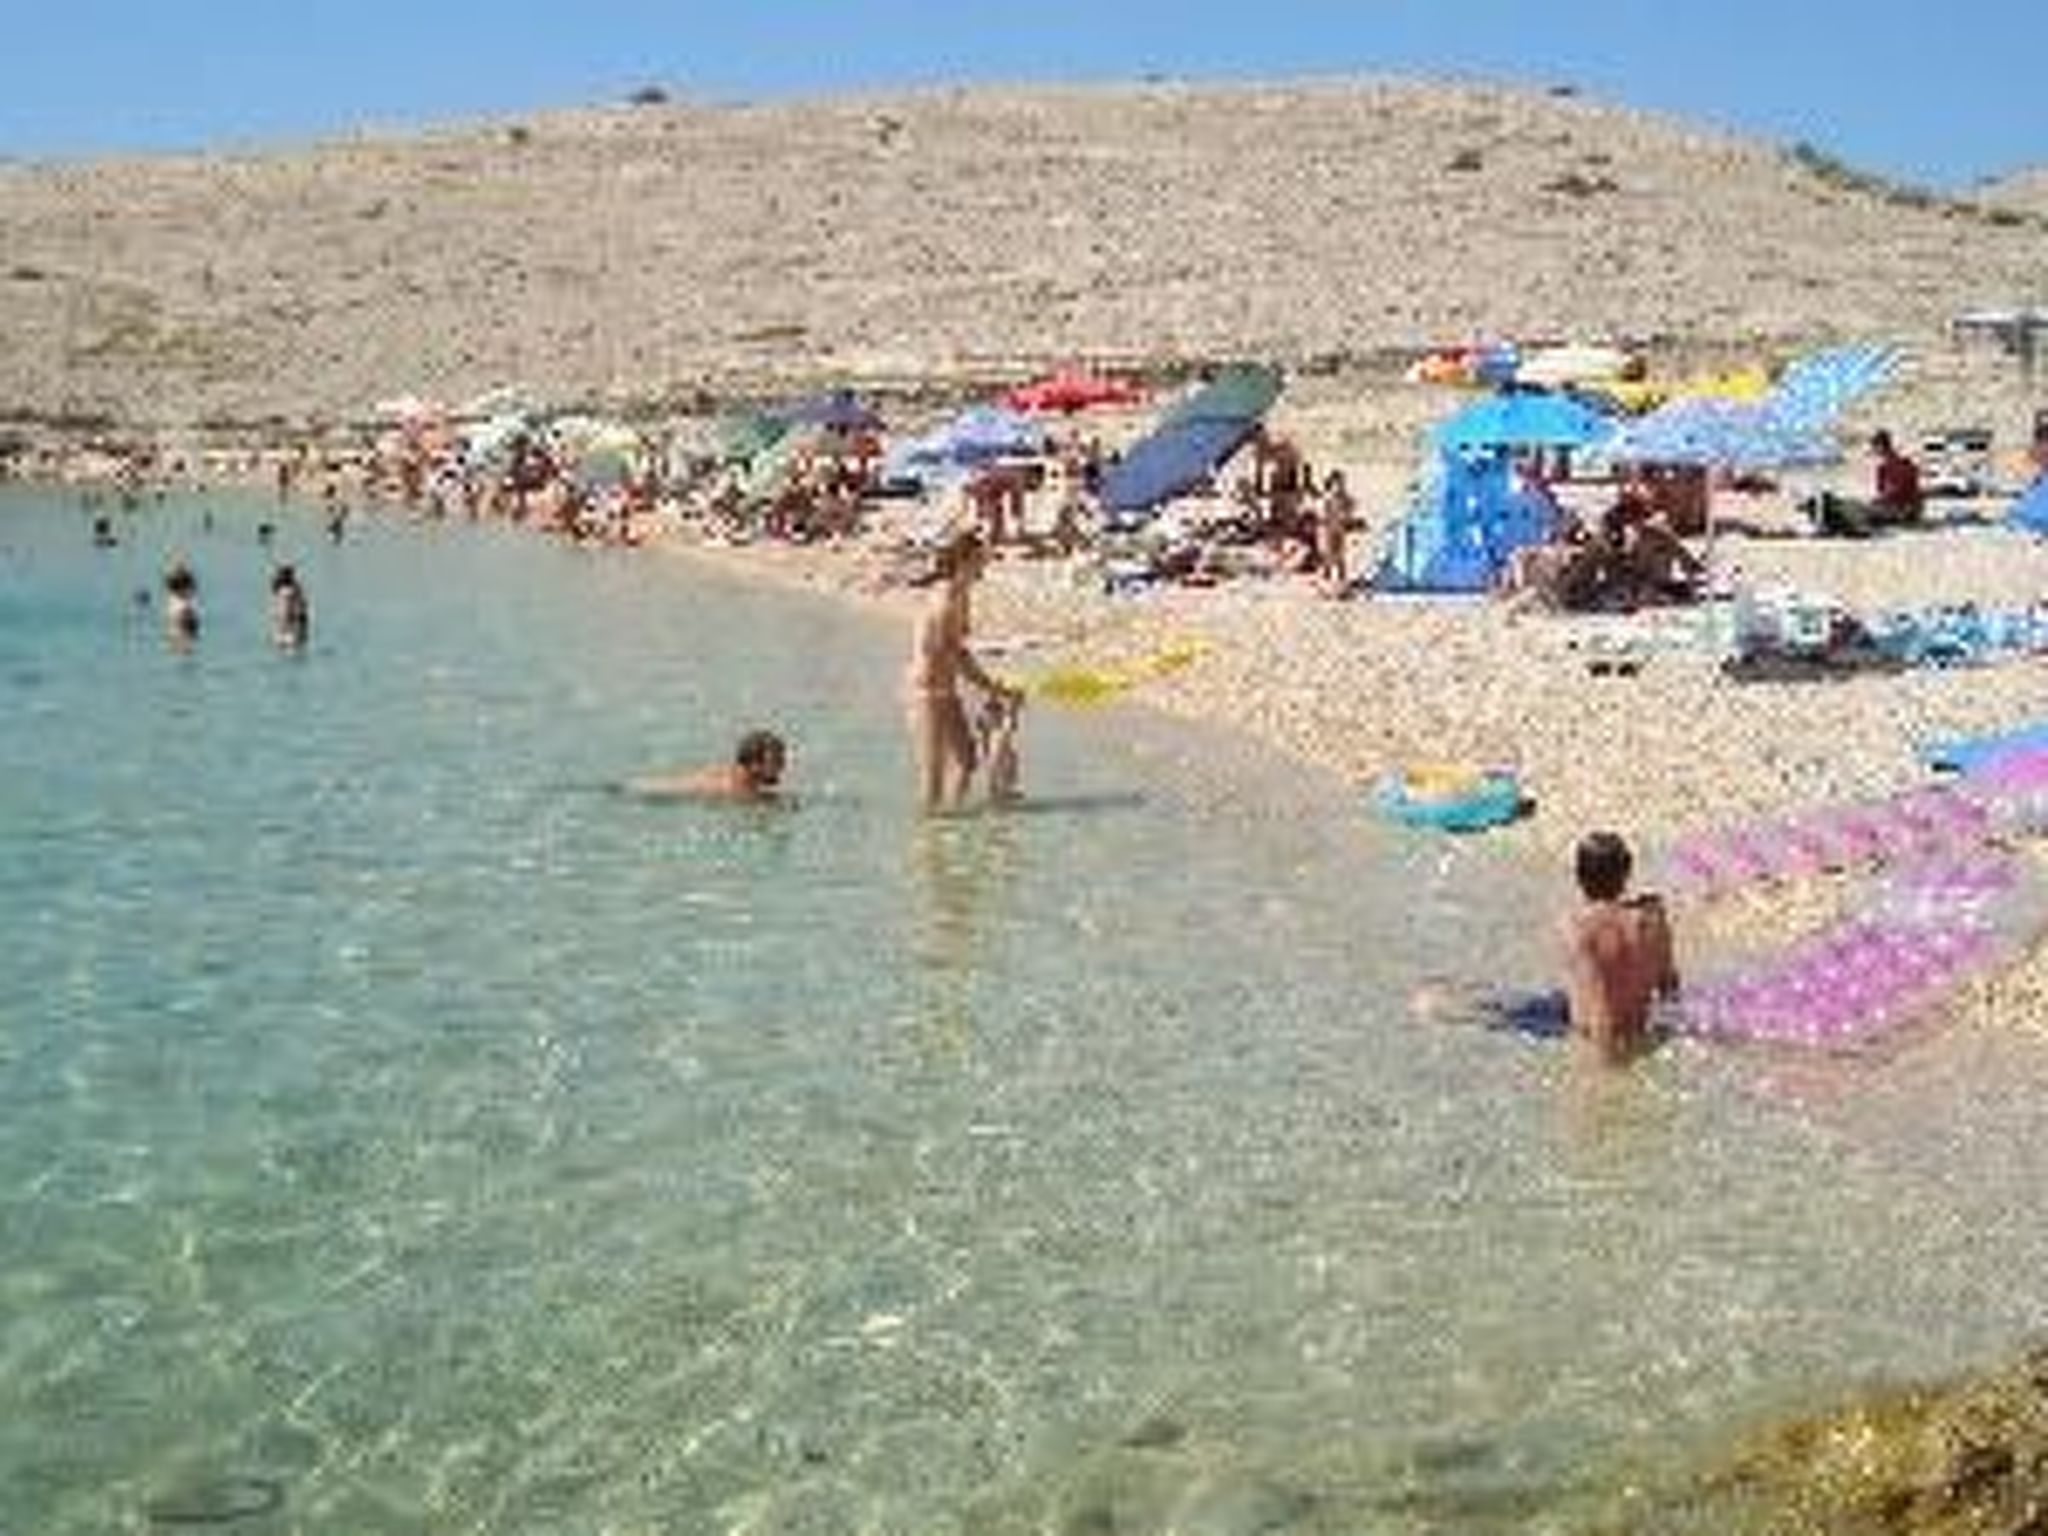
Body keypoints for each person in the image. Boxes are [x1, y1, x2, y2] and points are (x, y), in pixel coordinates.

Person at [905, 529, 1022, 811]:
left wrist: (1001, 661)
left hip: (947, 687)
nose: (984, 567)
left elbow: (961, 646)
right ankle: (931, 842)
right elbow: (957, 656)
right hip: (927, 693)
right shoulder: (943, 603)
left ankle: (952, 826)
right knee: (933, 779)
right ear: (965, 562)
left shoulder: (961, 595)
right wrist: (997, 688)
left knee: (967, 761)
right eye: (980, 561)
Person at [1561, 831, 1679, 1064]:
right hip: (1643, 1037)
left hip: (1596, 1045)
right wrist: (1669, 1034)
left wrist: (1605, 1070)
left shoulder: (1579, 926)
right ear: (1627, 871)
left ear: (1579, 876)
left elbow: (1597, 1004)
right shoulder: (1653, 916)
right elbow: (1669, 984)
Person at [627, 729, 788, 802]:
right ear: (754, 764)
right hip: (647, 795)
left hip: (640, 788)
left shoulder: (726, 774)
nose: (783, 766)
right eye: (776, 762)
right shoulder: (735, 791)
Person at [269, 564, 310, 650]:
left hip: (288, 623)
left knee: (288, 645)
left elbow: (302, 607)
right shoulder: (291, 589)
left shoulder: (288, 589)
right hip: (285, 623)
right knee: (291, 645)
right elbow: (303, 607)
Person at [162, 561, 200, 646]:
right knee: (181, 617)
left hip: (183, 602)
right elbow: (170, 587)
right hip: (180, 602)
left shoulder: (187, 578)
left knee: (183, 616)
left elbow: (192, 588)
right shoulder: (174, 579)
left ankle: (185, 623)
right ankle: (184, 623)